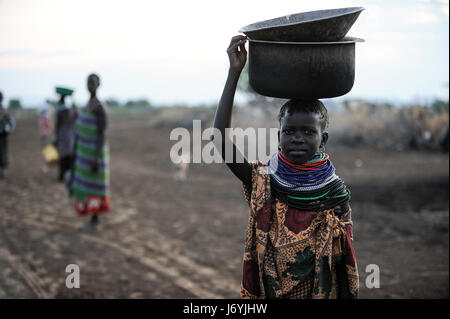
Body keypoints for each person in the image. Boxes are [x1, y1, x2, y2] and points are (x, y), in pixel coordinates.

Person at [212, 36, 359, 299]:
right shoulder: (266, 179)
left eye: (308, 131)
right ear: (279, 136)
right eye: (289, 131)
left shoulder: (334, 192)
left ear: (323, 139)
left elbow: (345, 260)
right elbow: (219, 139)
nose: (298, 138)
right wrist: (234, 72)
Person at [69, 73, 109, 232]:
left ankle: (95, 221)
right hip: (85, 155)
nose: (90, 85)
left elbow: (102, 134)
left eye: (93, 82)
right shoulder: (88, 105)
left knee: (95, 188)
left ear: (98, 85)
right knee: (88, 186)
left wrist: (96, 158)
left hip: (94, 155)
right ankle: (92, 220)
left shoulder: (100, 108)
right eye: (88, 82)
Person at [54, 90, 77, 182]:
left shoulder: (60, 111)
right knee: (70, 154)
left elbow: (57, 125)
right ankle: (70, 175)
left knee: (63, 155)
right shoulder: (72, 110)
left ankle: (62, 175)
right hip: (71, 135)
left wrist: (56, 137)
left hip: (63, 135)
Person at [0, 91, 16, 179]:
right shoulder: (4, 111)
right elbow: (12, 123)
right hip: (3, 135)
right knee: (3, 151)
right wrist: (8, 130)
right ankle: (3, 169)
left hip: (3, 134)